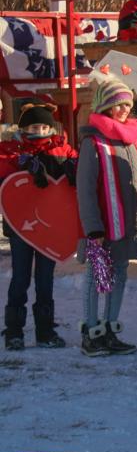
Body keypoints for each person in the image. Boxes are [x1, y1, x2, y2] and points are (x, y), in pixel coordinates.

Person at [75, 75, 137, 357]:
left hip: (126, 223)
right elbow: (85, 189)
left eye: (128, 105)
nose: (124, 110)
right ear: (105, 106)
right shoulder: (92, 142)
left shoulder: (133, 141)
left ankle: (109, 330)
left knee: (119, 275)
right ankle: (91, 332)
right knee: (97, 276)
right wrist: (93, 228)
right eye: (118, 105)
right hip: (102, 225)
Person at [1, 101, 76, 350]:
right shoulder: (9, 151)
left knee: (45, 279)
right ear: (23, 128)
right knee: (20, 277)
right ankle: (14, 331)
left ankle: (45, 331)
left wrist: (76, 169)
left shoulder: (63, 150)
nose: (41, 131)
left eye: (45, 127)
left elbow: (78, 175)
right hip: (21, 226)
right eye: (35, 126)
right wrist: (20, 167)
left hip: (50, 227)